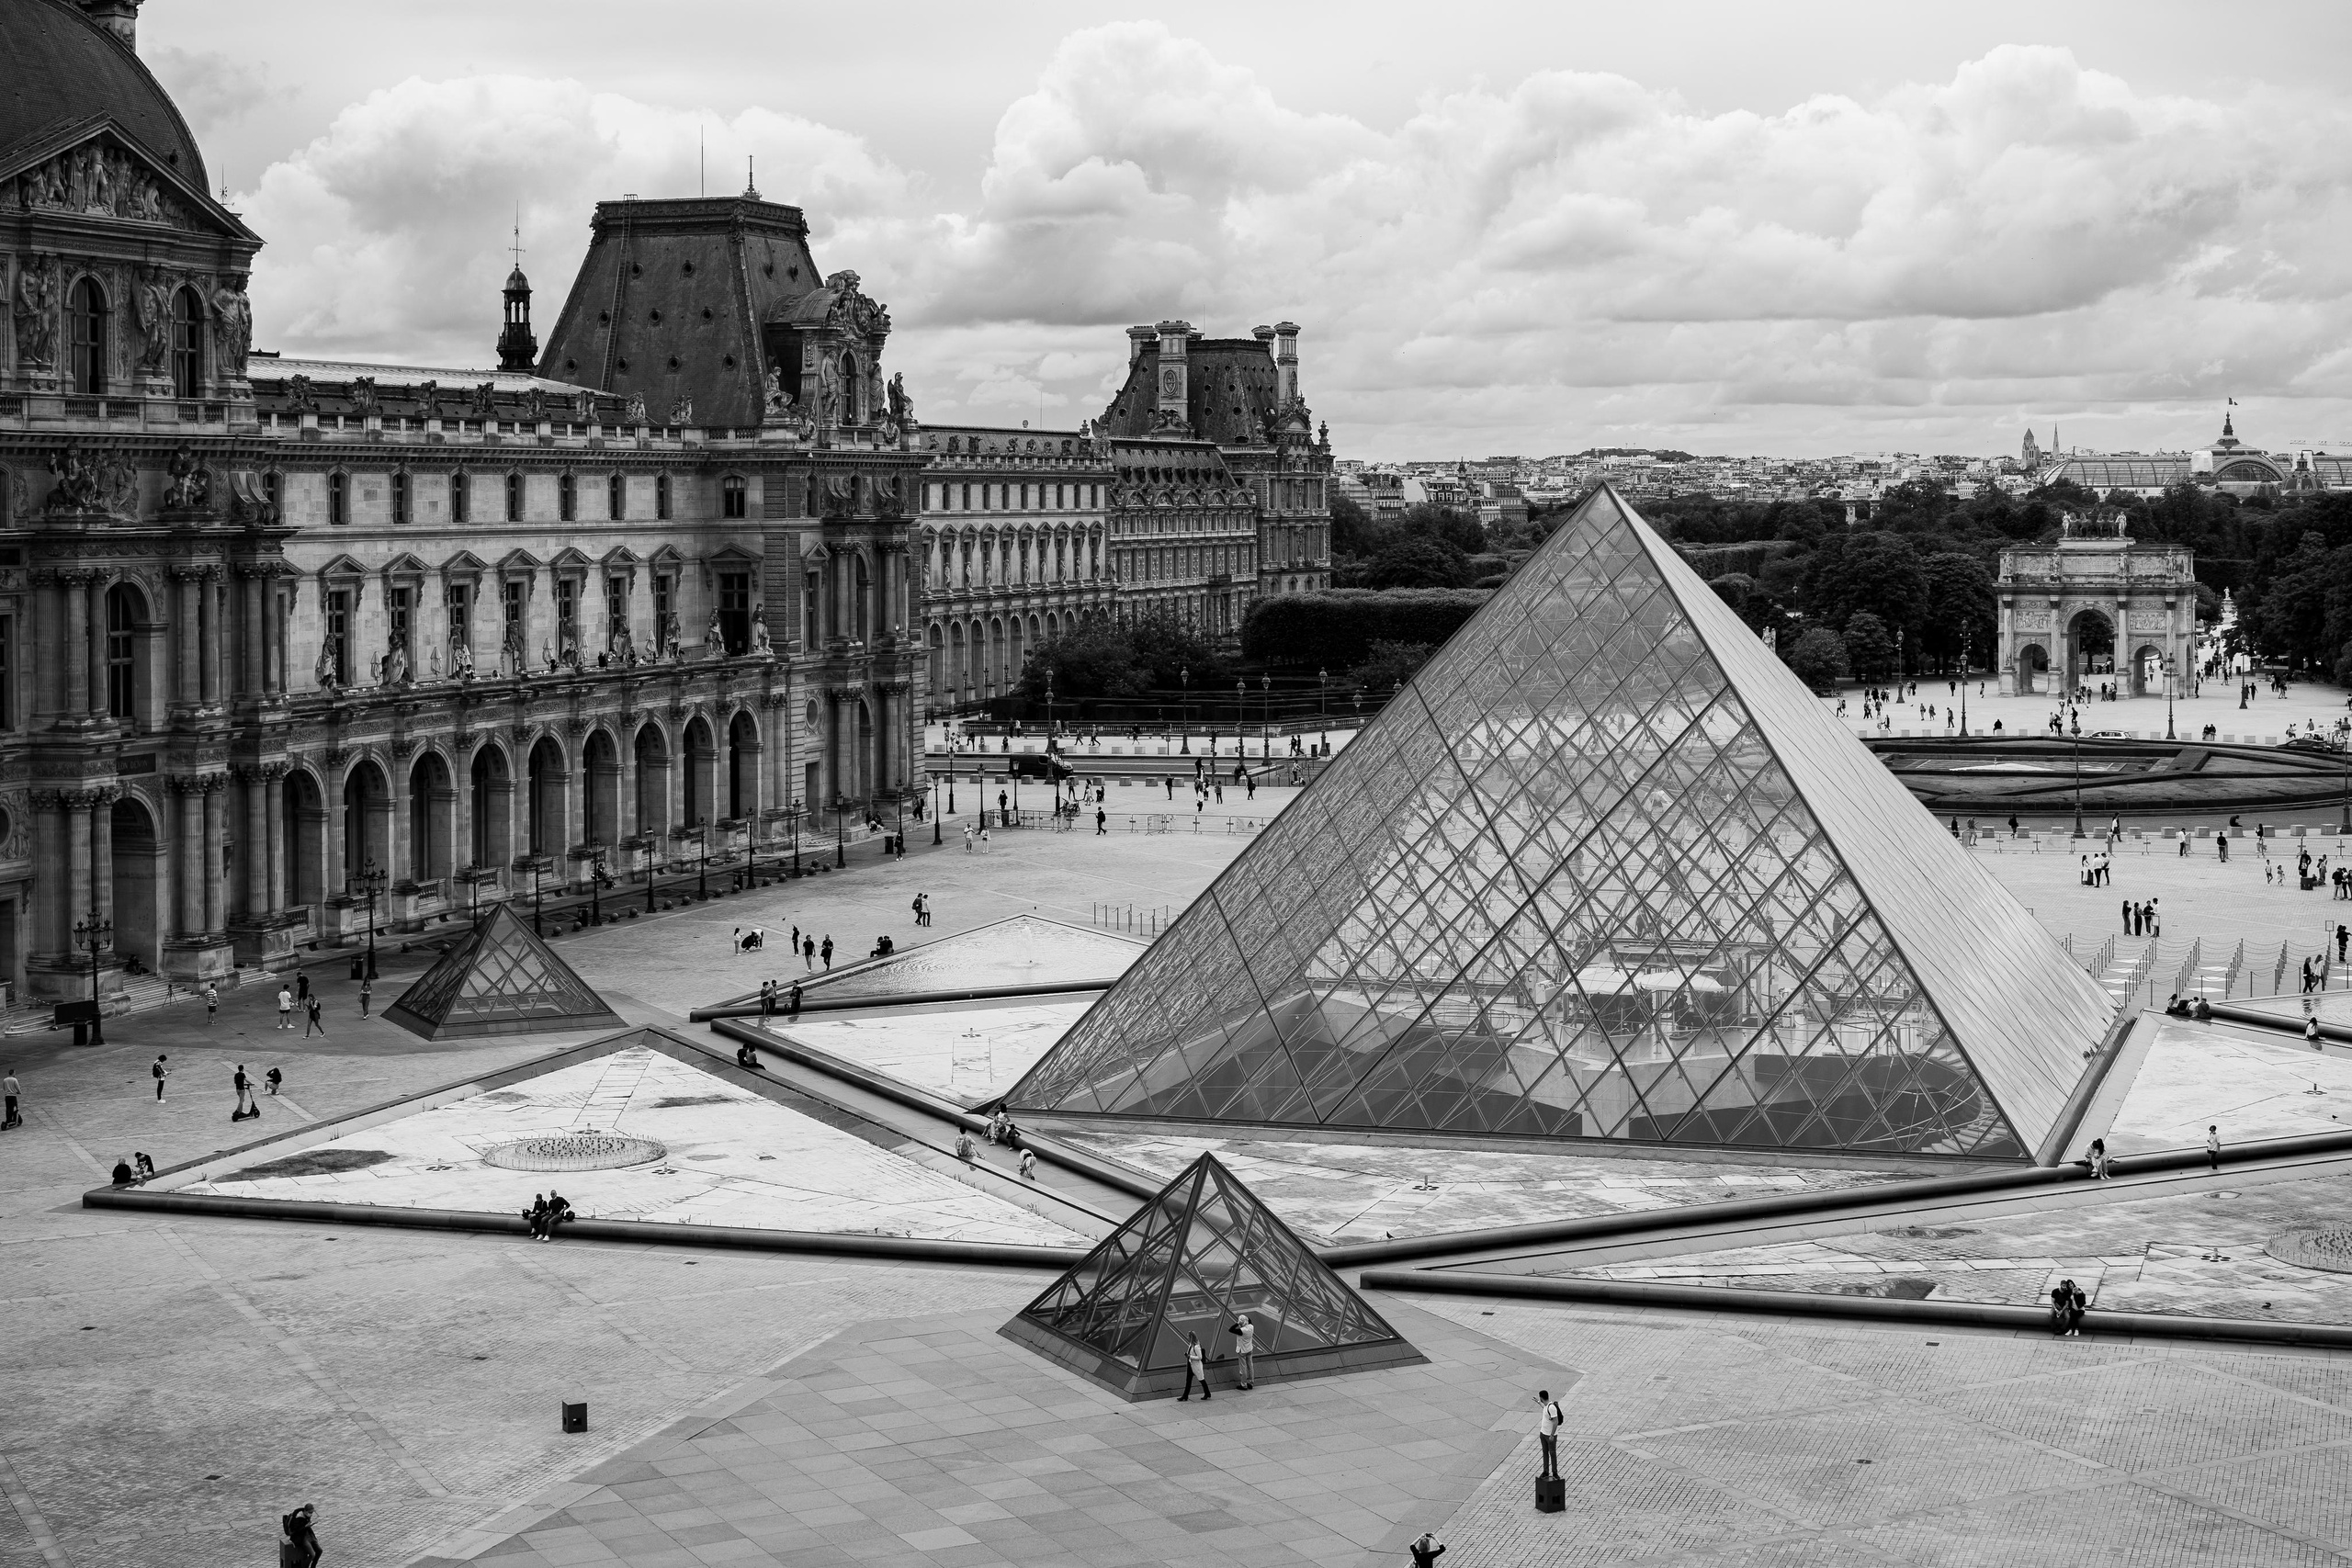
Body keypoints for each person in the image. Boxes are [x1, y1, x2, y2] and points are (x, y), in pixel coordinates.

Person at [281, 1504, 323, 1568]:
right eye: (310, 1512)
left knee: (319, 1550)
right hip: (300, 1536)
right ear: (306, 1511)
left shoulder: (306, 1515)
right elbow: (294, 1530)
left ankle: (313, 1566)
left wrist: (309, 1525)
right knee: (312, 1554)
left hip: (307, 1533)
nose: (311, 1514)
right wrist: (305, 1526)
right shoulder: (297, 1518)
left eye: (312, 1512)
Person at [1535, 1388, 1564, 1479]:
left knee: (1552, 1453)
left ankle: (1555, 1472)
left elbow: (1555, 1421)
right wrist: (1538, 1402)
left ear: (1542, 1398)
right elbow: (1544, 1408)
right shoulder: (1546, 1406)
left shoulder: (1551, 1407)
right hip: (1543, 1433)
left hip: (1550, 1435)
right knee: (1545, 1452)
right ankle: (1546, 1471)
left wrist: (1552, 1435)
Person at [1179, 1330, 1211, 1401]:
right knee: (1188, 1381)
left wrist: (1190, 1356)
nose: (1187, 1337)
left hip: (1196, 1366)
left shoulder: (1196, 1346)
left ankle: (1207, 1393)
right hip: (1191, 1365)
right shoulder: (1191, 1345)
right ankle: (1185, 1396)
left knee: (1201, 1379)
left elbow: (1200, 1357)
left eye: (1188, 1336)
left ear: (1191, 1337)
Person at [1231, 1315, 1257, 1390]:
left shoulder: (1241, 1331)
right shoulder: (1251, 1327)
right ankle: (1251, 1382)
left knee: (1243, 1368)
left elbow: (1231, 1329)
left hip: (1242, 1351)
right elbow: (1250, 1319)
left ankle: (1244, 1384)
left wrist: (1238, 1323)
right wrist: (1244, 1319)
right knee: (1250, 1366)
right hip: (1249, 1349)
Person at [1, 1066, 18, 1130]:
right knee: (14, 1107)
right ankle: (14, 1119)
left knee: (8, 1108)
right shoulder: (14, 1079)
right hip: (13, 1096)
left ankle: (8, 1119)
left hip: (7, 1096)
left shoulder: (5, 1080)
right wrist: (19, 1092)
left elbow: (4, 1087)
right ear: (13, 1073)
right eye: (15, 1073)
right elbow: (17, 1087)